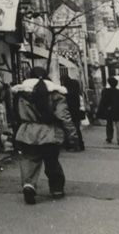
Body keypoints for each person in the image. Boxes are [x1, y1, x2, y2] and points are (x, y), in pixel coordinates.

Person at [11, 66, 79, 204]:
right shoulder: (55, 93)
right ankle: (56, 189)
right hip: (50, 132)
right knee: (52, 161)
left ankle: (29, 185)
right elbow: (63, 116)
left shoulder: (20, 93)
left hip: (28, 131)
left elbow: (15, 114)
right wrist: (72, 135)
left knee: (29, 159)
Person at [96, 77, 119, 145]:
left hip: (109, 110)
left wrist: (102, 110)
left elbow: (103, 102)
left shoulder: (106, 91)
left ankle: (109, 138)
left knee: (109, 124)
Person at [60, 71, 85, 151]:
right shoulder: (75, 88)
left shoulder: (66, 91)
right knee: (77, 128)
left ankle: (73, 145)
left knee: (71, 128)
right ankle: (80, 144)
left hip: (70, 110)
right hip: (77, 110)